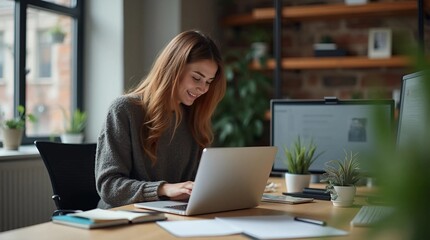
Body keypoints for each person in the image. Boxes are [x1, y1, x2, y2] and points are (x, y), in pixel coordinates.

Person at [95, 30, 226, 209]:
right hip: (124, 217)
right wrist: (163, 189)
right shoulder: (125, 110)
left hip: (171, 215)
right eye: (197, 78)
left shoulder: (193, 117)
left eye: (209, 82)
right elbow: (109, 187)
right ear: (173, 68)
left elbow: (193, 184)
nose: (203, 88)